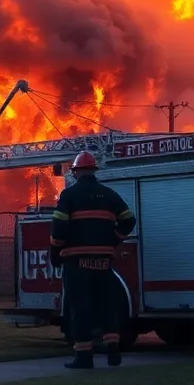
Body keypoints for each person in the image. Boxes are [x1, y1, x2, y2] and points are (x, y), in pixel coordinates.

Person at [49, 151, 136, 370]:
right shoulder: (109, 195)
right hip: (104, 261)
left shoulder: (69, 195)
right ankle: (113, 352)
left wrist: (55, 251)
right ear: (94, 171)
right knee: (107, 306)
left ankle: (84, 357)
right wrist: (113, 240)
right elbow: (129, 220)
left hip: (76, 261)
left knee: (80, 308)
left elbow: (59, 228)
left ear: (76, 172)